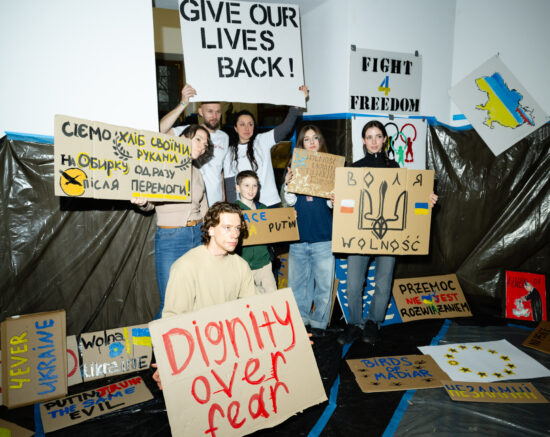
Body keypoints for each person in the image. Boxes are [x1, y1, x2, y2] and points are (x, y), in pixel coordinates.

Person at [337, 120, 438, 345]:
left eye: (378, 136)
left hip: (388, 236)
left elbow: (408, 202)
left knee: (383, 283)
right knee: (353, 284)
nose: (374, 141)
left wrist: (426, 201)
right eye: (369, 137)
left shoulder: (396, 169)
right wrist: (337, 201)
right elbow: (347, 205)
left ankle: (373, 322)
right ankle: (354, 324)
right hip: (359, 235)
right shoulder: (353, 169)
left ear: (384, 140)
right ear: (363, 141)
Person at [152, 201, 258, 389]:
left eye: (237, 228)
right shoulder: (185, 267)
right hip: (198, 351)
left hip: (230, 348)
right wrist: (168, 363)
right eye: (227, 228)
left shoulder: (241, 266)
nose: (235, 234)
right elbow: (173, 320)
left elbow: (254, 312)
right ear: (210, 230)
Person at [131, 124, 212, 319]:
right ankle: (153, 340)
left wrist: (209, 235)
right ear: (182, 138)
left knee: (194, 297)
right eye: (198, 139)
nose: (202, 146)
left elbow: (204, 208)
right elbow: (150, 204)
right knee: (170, 301)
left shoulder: (197, 173)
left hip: (198, 235)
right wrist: (143, 203)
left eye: (205, 144)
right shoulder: (161, 167)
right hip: (171, 238)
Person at [283, 125, 335, 331]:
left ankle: (320, 324)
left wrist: (335, 198)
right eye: (307, 139)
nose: (311, 142)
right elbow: (289, 203)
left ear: (320, 141)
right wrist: (287, 185)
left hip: (324, 236)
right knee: (297, 285)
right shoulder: (293, 167)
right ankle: (300, 323)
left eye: (315, 138)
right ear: (301, 144)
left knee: (324, 286)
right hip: (298, 236)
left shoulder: (330, 168)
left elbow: (331, 205)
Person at [223, 86, 309, 206]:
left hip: (270, 203)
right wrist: (234, 208)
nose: (247, 128)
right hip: (245, 207)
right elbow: (229, 186)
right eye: (242, 124)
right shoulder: (229, 152)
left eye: (250, 124)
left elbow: (285, 128)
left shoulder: (262, 140)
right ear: (236, 128)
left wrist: (297, 102)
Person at [159, 83, 228, 205]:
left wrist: (223, 195)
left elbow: (220, 169)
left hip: (215, 203)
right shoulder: (189, 131)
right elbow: (161, 130)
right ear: (200, 111)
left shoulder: (224, 137)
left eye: (218, 112)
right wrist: (183, 104)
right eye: (210, 111)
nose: (214, 116)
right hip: (192, 202)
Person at [234, 170, 278, 294]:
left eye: (255, 185)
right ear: (238, 188)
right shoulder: (233, 210)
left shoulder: (263, 209)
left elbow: (276, 229)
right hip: (244, 266)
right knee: (250, 300)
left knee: (272, 296)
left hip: (264, 264)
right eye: (246, 185)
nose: (251, 189)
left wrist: (289, 216)